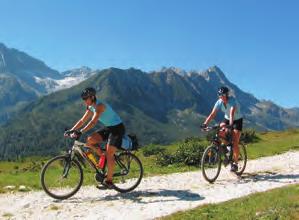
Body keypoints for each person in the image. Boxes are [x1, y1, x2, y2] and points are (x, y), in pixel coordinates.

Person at [69, 87, 125, 188]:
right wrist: (71, 130)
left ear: (92, 97)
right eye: (84, 99)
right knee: (90, 140)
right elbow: (82, 120)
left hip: (117, 129)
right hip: (109, 128)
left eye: (86, 99)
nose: (85, 101)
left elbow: (93, 122)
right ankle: (102, 155)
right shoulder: (91, 107)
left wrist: (81, 131)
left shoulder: (99, 106)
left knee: (109, 153)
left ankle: (109, 181)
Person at [201, 86, 243, 172]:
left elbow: (231, 114)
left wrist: (231, 126)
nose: (221, 96)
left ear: (227, 95)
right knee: (219, 132)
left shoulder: (232, 101)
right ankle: (227, 148)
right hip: (227, 118)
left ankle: (235, 163)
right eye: (219, 95)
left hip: (237, 120)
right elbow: (212, 114)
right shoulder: (219, 102)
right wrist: (205, 123)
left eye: (223, 95)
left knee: (235, 141)